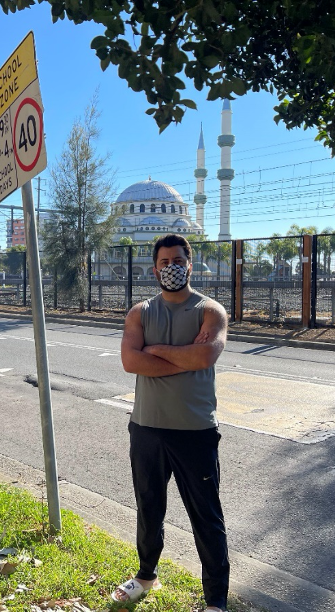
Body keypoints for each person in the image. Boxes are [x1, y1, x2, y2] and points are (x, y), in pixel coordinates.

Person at [115, 233, 230, 612]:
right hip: (146, 427)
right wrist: (183, 355)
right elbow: (131, 362)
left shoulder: (210, 311)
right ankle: (147, 575)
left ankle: (215, 600)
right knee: (149, 507)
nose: (171, 268)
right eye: (164, 263)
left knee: (206, 518)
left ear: (190, 265)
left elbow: (205, 357)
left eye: (178, 261)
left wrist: (156, 351)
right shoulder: (140, 312)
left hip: (195, 432)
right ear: (154, 269)